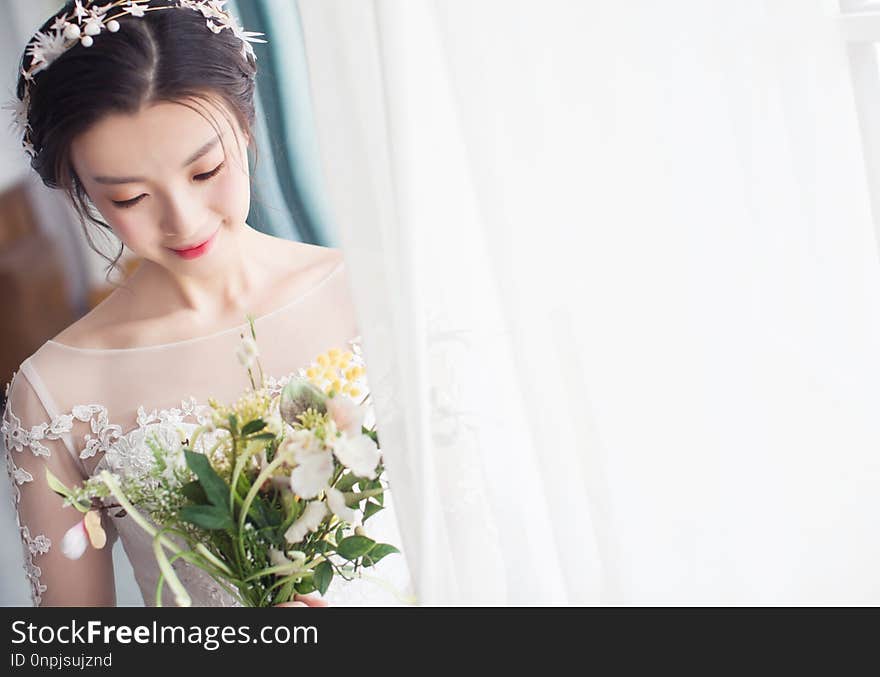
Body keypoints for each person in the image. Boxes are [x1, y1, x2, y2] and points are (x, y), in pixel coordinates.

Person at [1, 0, 411, 607]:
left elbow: (484, 537)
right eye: (132, 197)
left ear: (245, 125)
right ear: (80, 190)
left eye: (205, 171)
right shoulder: (55, 393)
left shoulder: (377, 295)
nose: (183, 220)